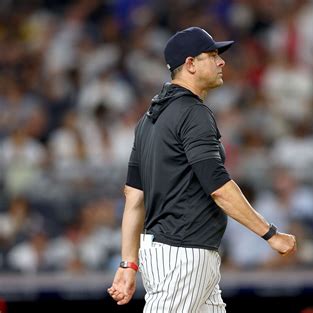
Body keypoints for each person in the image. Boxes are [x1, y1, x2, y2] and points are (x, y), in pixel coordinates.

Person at [107, 26, 297, 312]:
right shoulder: (193, 113)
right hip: (184, 256)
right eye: (212, 55)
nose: (221, 61)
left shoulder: (148, 120)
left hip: (174, 253)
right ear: (190, 64)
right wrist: (270, 234)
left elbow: (134, 198)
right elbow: (218, 187)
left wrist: (128, 263)